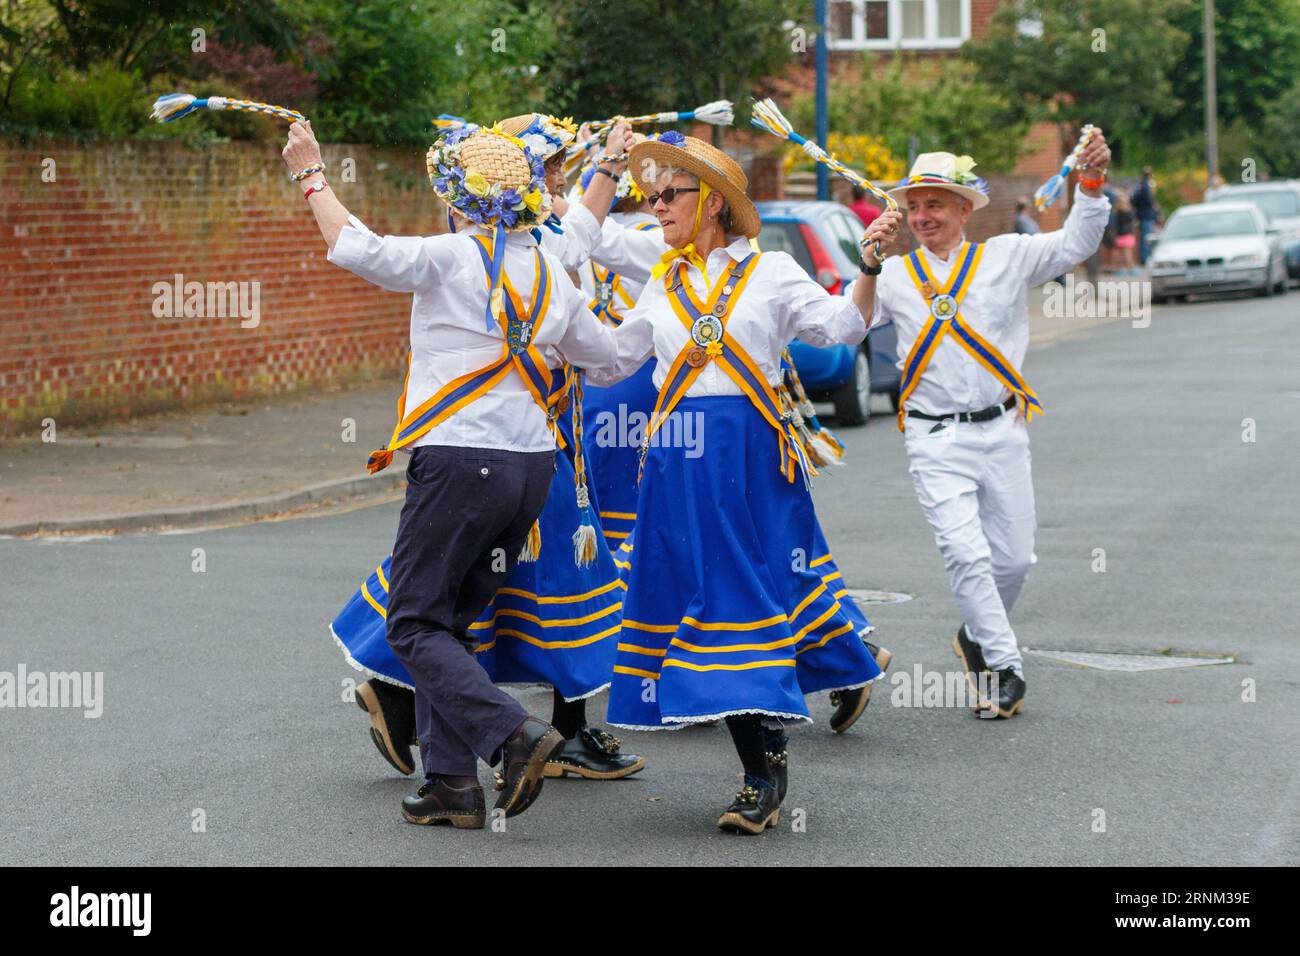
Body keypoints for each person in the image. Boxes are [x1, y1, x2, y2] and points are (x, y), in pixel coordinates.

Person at [283, 115, 637, 828]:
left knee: (413, 622)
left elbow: (356, 247)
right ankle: (451, 785)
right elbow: (610, 360)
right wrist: (663, 316)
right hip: (532, 470)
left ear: (460, 201)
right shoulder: (551, 273)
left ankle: (515, 734)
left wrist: (310, 174)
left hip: (459, 462)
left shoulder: (449, 257)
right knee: (457, 622)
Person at [584, 132, 888, 835]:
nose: (653, 207)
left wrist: (868, 264)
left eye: (667, 195)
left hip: (749, 461)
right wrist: (551, 329)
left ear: (712, 203)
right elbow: (614, 360)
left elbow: (844, 327)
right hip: (673, 464)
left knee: (739, 598)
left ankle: (763, 769)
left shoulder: (773, 272)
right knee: (705, 599)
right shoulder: (661, 279)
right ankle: (785, 728)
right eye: (649, 195)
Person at [855, 139, 1112, 720]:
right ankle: (1004, 664)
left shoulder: (1007, 256)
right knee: (966, 555)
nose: (923, 217)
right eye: (914, 206)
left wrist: (1090, 187)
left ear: (964, 209)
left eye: (935, 205)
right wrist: (868, 265)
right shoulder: (895, 275)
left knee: (1015, 560)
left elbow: (1075, 242)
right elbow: (847, 326)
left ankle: (975, 634)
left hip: (1003, 430)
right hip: (933, 437)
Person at [1131, 166, 1159, 265]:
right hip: (1147, 215)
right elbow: (1150, 201)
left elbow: (1133, 200)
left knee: (1145, 237)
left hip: (1142, 215)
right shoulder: (1146, 186)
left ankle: (1145, 258)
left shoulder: (1140, 186)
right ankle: (1145, 259)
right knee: (1147, 238)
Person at [1112, 190, 1138, 276]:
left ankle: (1120, 270)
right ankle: (1131, 269)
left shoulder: (1117, 212)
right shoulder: (1130, 212)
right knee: (1128, 254)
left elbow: (1115, 225)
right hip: (1128, 235)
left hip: (1120, 235)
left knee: (1120, 255)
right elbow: (1133, 223)